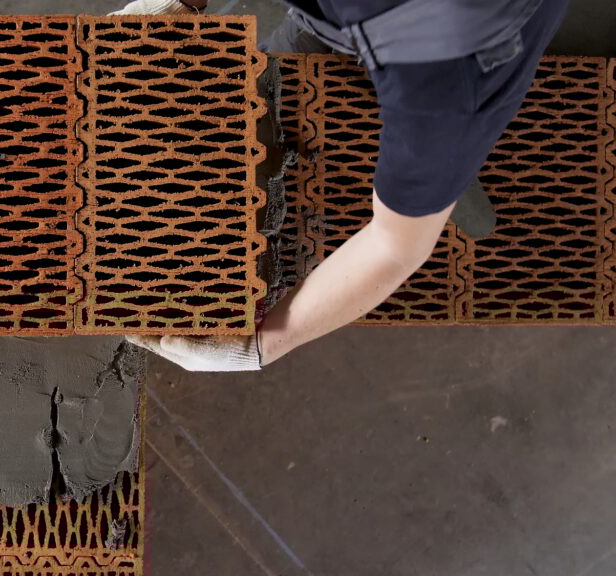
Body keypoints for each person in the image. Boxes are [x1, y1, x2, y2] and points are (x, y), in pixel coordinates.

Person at [115, 0, 568, 372]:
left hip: (465, 53)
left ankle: (445, 183)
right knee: (278, 87)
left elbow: (395, 248)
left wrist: (264, 345)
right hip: (359, 25)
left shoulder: (445, 79)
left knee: (434, 207)